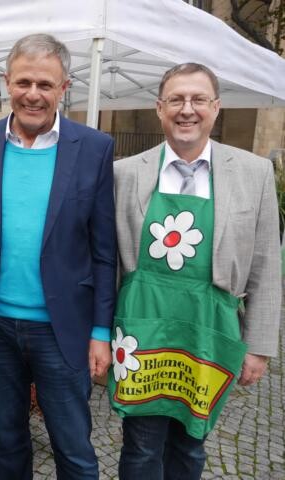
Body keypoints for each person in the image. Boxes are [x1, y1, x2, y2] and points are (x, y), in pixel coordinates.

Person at [111, 62, 281, 480]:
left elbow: (265, 264)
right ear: (160, 108)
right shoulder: (124, 173)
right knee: (141, 444)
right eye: (176, 100)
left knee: (190, 444)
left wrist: (258, 347)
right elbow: (107, 260)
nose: (187, 109)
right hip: (142, 328)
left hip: (210, 330)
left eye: (198, 99)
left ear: (216, 107)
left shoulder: (254, 172)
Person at [0, 33, 116, 479]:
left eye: (45, 84)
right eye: (23, 82)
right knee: (8, 442)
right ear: (6, 82)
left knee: (73, 447)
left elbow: (105, 251)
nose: (33, 94)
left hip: (62, 327)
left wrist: (100, 331)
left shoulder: (94, 148)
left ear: (64, 87)